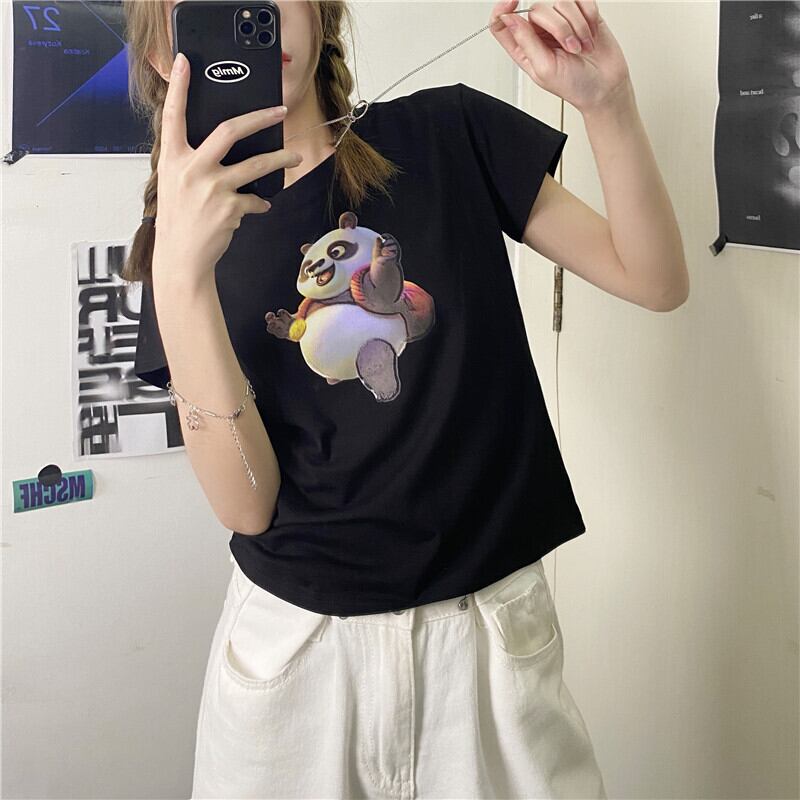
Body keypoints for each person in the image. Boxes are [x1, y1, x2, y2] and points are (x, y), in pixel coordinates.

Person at [124, 0, 687, 796]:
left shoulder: (447, 130)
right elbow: (246, 506)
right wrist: (182, 278)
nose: (255, 14)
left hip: (488, 644)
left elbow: (655, 278)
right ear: (163, 53)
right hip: (298, 660)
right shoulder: (175, 244)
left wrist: (608, 104)